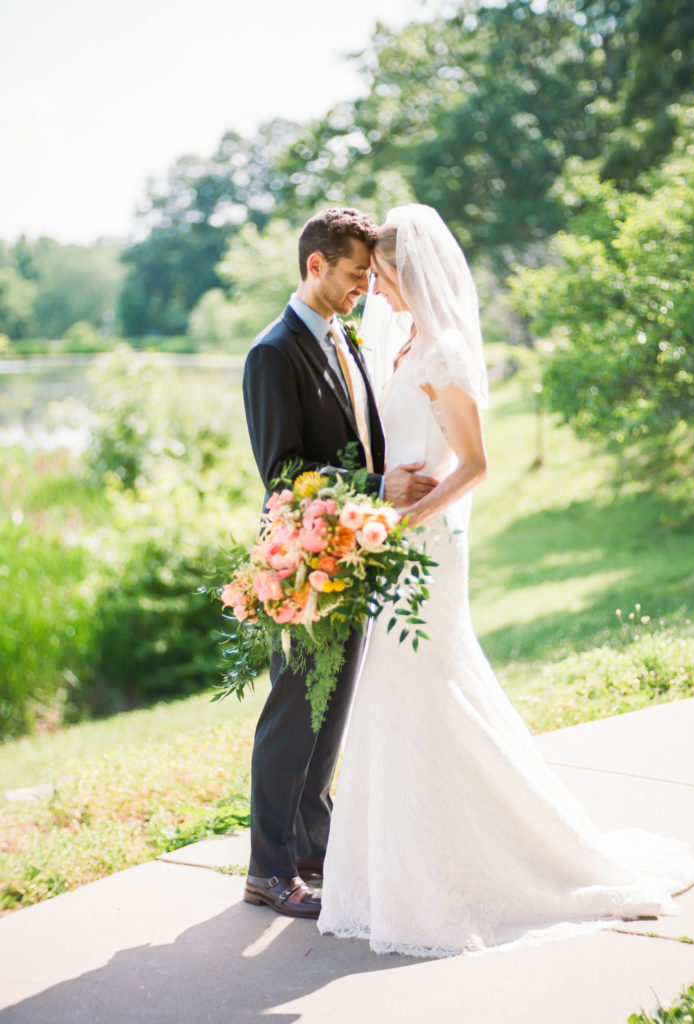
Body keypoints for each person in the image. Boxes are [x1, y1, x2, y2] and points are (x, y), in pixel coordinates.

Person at [317, 203, 694, 956]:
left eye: (379, 274)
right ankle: (399, 867)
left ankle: (505, 861)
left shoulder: (442, 353)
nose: (373, 288)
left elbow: (473, 465)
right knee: (395, 697)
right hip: (394, 545)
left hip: (427, 547)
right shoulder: (402, 342)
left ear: (407, 273)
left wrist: (404, 521)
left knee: (429, 686)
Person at [241, 208, 438, 919]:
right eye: (356, 274)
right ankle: (266, 869)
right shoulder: (272, 352)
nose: (364, 287)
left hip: (353, 553)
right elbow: (282, 472)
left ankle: (310, 848)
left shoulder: (345, 336)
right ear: (315, 266)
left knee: (330, 715)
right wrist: (372, 491)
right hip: (300, 560)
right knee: (292, 715)